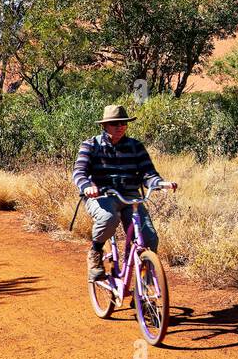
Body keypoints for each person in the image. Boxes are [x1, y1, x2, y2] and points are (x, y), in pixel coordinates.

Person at [72, 104, 177, 281]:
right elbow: (79, 172)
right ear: (104, 126)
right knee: (109, 218)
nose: (120, 127)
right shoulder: (91, 145)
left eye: (123, 123)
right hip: (102, 196)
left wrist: (160, 183)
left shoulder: (135, 146)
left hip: (131, 197)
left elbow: (148, 173)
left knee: (149, 239)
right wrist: (87, 187)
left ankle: (144, 290)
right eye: (115, 124)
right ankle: (95, 252)